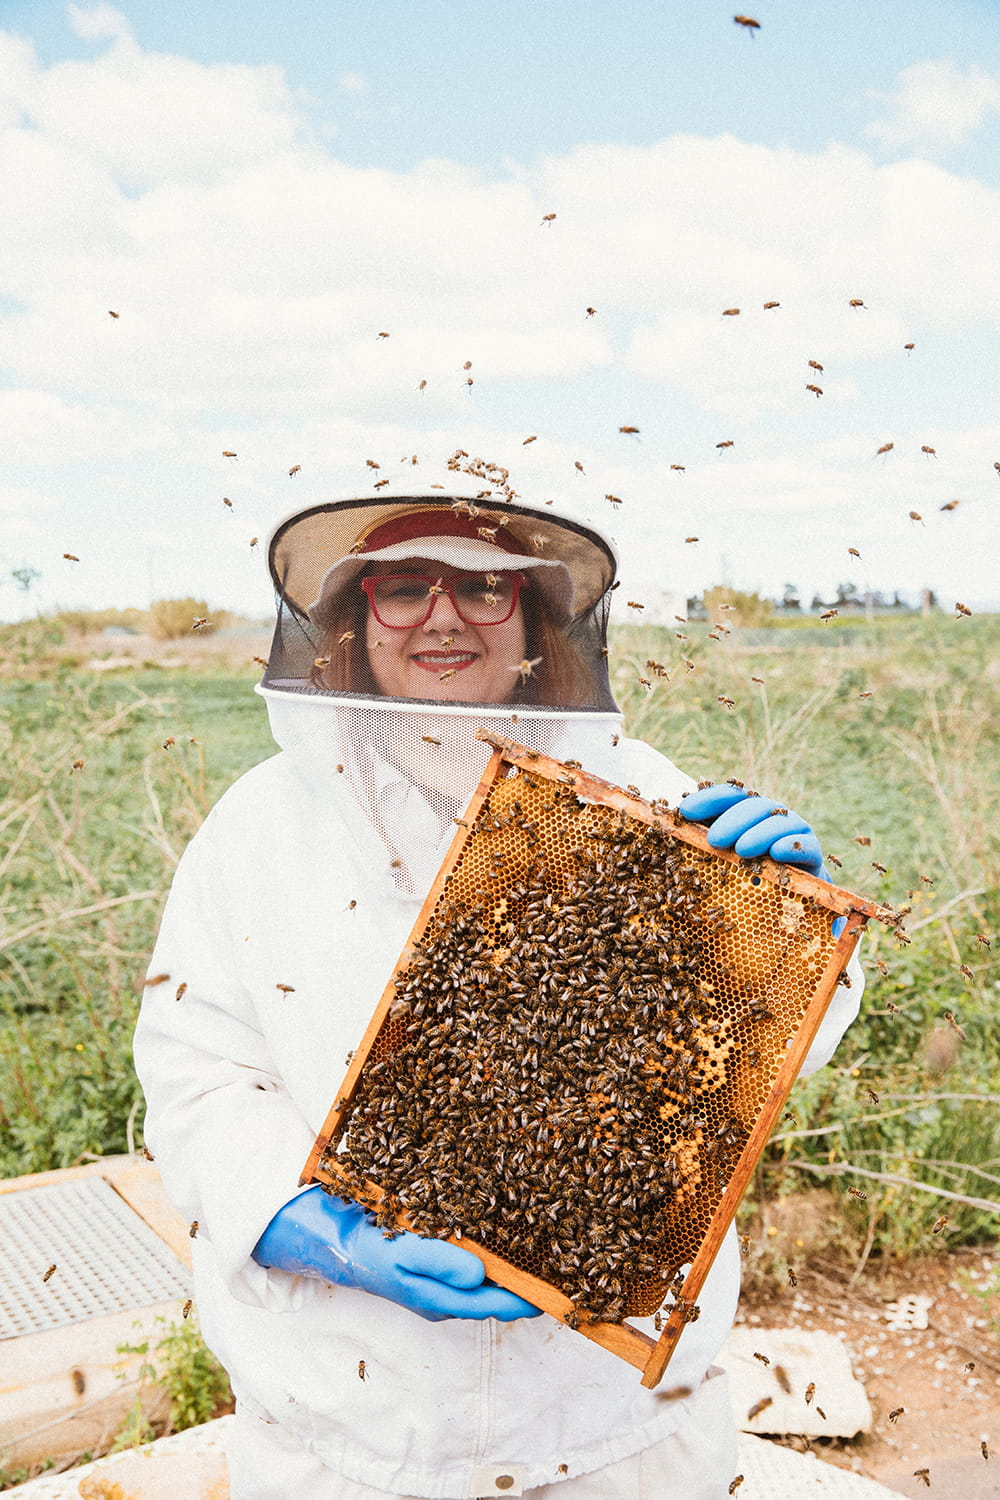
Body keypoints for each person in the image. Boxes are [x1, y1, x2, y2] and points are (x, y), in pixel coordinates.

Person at [134, 494, 862, 1500]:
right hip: (349, 1436)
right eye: (403, 588)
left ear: (532, 620)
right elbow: (198, 1070)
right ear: (352, 622)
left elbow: (759, 1056)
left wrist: (787, 937)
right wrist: (306, 1225)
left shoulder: (646, 795)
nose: (442, 617)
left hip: (613, 1440)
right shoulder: (259, 826)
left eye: (482, 586)